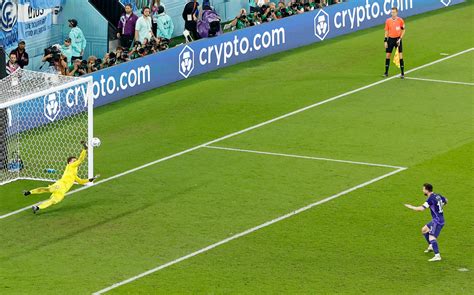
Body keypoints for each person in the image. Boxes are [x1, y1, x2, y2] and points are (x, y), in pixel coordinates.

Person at [24, 141, 98, 214]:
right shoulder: (70, 166)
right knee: (48, 189)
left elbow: (80, 181)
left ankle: (37, 207)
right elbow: (80, 159)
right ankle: (30, 192)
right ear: (69, 162)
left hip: (63, 191)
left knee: (52, 201)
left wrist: (90, 180)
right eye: (74, 160)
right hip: (60, 185)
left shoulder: (74, 174)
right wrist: (85, 149)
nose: (75, 162)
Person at [404, 183, 447, 262]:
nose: (422, 190)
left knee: (432, 237)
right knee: (424, 230)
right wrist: (439, 206)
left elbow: (421, 209)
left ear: (427, 190)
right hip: (438, 219)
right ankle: (431, 245)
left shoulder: (430, 199)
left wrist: (411, 207)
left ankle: (437, 256)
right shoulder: (438, 195)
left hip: (437, 221)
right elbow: (445, 200)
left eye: (423, 189)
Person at [383, 7, 405, 78]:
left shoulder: (400, 20)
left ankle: (402, 73)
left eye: (394, 12)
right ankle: (386, 72)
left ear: (397, 12)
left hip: (398, 40)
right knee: (388, 56)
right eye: (392, 12)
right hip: (390, 40)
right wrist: (385, 41)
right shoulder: (388, 21)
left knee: (400, 56)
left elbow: (403, 30)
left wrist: (400, 39)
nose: (393, 14)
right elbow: (386, 31)